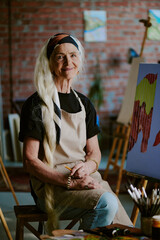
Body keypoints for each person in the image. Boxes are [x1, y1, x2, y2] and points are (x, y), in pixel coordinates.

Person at [19, 33, 132, 234]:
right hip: (51, 187)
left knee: (122, 227)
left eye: (73, 55)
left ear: (80, 60)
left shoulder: (85, 104)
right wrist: (68, 181)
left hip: (84, 179)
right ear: (50, 63)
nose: (68, 62)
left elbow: (94, 152)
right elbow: (29, 161)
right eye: (60, 56)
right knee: (107, 203)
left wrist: (88, 166)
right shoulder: (36, 105)